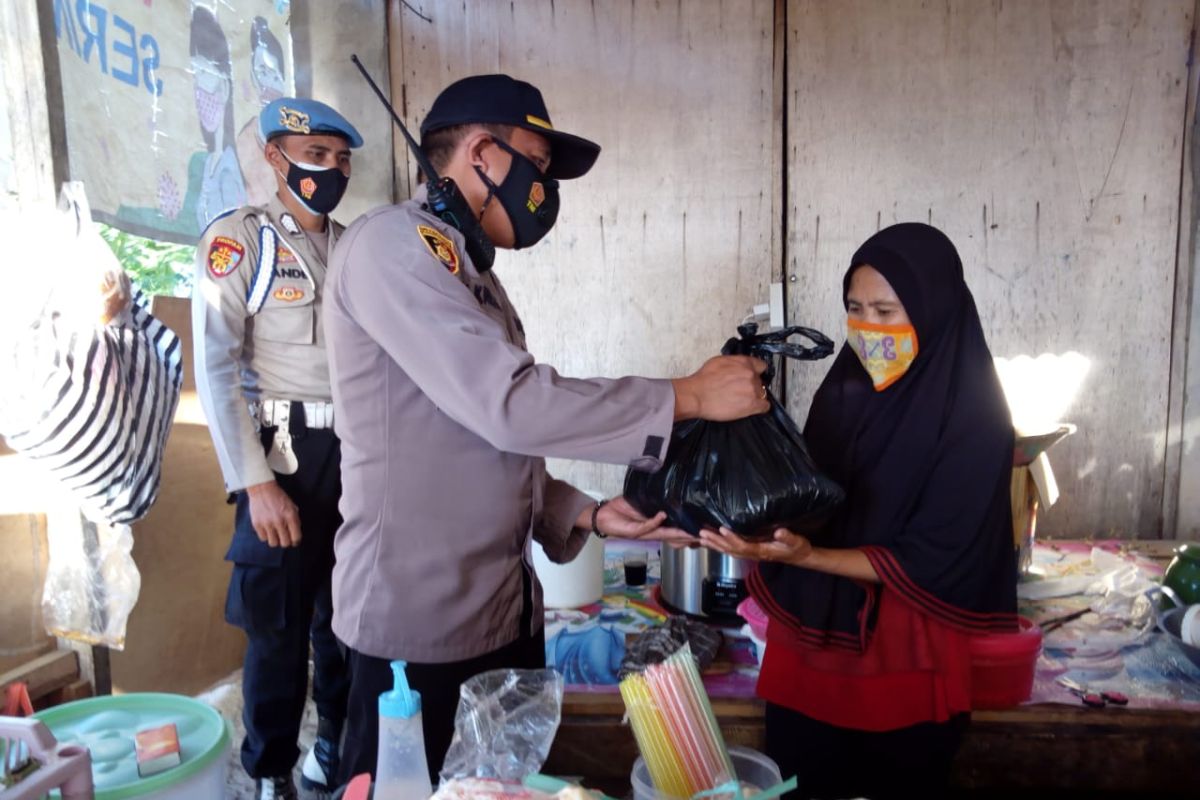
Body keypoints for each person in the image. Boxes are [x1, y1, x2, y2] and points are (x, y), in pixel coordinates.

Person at [323, 74, 770, 784]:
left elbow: (483, 444)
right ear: (479, 153)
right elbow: (511, 406)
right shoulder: (392, 248)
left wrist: (585, 512)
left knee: (502, 792)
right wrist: (685, 396)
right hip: (422, 629)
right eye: (534, 164)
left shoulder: (470, 272)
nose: (542, 190)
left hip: (500, 613)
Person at [702, 223, 1018, 799]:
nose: (869, 328)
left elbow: (935, 557)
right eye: (855, 308)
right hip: (811, 645)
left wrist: (809, 555)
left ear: (934, 309)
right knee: (799, 780)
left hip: (905, 659)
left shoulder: (977, 420)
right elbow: (809, 497)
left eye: (887, 310)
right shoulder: (846, 390)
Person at [193, 97, 363, 800]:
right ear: (275, 158)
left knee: (348, 621)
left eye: (342, 159)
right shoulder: (244, 241)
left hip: (357, 454)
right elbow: (214, 364)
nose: (331, 171)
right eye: (317, 156)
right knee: (277, 633)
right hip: (284, 456)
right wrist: (254, 482)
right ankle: (270, 774)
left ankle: (335, 752)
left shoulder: (356, 247)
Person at [187, 5, 247, 233]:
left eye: (204, 75)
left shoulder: (228, 171)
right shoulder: (209, 163)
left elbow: (236, 245)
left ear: (224, 87)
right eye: (195, 77)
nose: (199, 90)